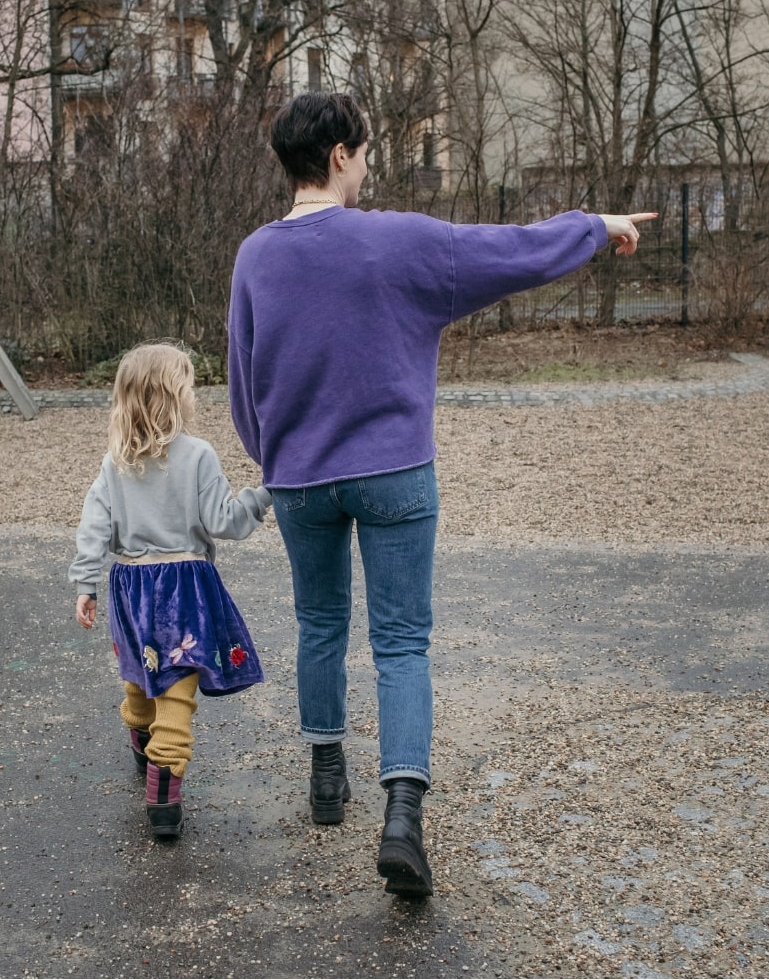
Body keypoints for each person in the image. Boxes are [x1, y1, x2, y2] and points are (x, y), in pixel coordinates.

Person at [226, 91, 655, 898]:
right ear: (341, 156)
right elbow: (510, 250)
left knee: (320, 623)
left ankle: (326, 781)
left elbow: (243, 380)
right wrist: (596, 227)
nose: (370, 165)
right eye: (367, 151)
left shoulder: (255, 256)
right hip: (394, 472)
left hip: (298, 480)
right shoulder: (397, 240)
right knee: (401, 642)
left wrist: (274, 461)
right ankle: (401, 822)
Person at [70, 341, 273, 840]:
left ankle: (142, 742)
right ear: (173, 396)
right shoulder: (198, 455)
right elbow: (224, 521)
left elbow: (94, 526)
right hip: (183, 588)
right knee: (178, 689)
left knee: (140, 673)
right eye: (188, 386)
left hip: (129, 586)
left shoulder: (114, 461)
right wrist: (265, 493)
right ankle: (162, 798)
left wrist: (85, 583)